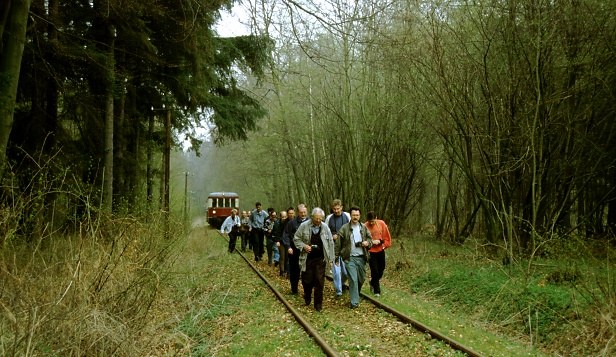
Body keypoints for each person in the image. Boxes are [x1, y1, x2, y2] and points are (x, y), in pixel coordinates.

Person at [293, 207, 334, 311]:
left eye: (320, 219)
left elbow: (330, 244)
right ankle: (307, 295)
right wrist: (303, 246)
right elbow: (296, 238)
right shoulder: (304, 226)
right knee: (307, 281)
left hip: (320, 259)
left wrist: (331, 259)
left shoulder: (325, 227)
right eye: (316, 219)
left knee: (319, 282)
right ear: (312, 217)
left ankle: (318, 305)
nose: (318, 221)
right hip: (307, 259)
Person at [335, 206, 373, 308]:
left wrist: (367, 243)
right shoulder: (344, 228)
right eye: (353, 215)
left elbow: (370, 240)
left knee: (361, 279)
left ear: (360, 216)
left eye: (357, 215)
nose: (355, 217)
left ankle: (355, 294)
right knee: (353, 279)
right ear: (350, 216)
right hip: (349, 258)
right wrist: (336, 257)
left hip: (361, 257)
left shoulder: (364, 228)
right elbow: (338, 244)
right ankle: (354, 302)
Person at [325, 199, 351, 297]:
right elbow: (325, 232)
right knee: (336, 271)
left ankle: (343, 283)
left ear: (341, 207)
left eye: (338, 208)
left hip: (345, 247)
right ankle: (338, 291)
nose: (336, 211)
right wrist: (331, 236)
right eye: (334, 209)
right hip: (334, 247)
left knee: (345, 271)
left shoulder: (347, 216)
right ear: (332, 209)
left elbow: (351, 229)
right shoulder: (329, 218)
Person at [364, 211, 392, 297]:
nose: (371, 223)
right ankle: (377, 291)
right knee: (374, 271)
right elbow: (363, 240)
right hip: (371, 252)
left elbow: (387, 238)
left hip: (380, 250)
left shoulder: (382, 224)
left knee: (381, 269)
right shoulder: (364, 226)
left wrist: (382, 245)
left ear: (376, 218)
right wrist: (371, 243)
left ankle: (372, 282)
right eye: (370, 221)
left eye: (373, 221)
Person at [282, 204, 308, 295]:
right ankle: (294, 289)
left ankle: (306, 291)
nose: (303, 214)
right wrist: (288, 247)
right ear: (298, 213)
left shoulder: (310, 222)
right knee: (294, 271)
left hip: (306, 251)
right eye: (301, 212)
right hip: (294, 250)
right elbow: (286, 235)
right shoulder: (291, 223)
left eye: (305, 212)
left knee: (306, 272)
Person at [273, 210, 288, 275]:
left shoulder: (289, 223)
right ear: (280, 217)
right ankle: (282, 271)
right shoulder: (277, 223)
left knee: (287, 257)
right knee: (282, 256)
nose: (284, 218)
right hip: (281, 242)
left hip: (287, 242)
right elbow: (276, 233)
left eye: (285, 217)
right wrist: (277, 241)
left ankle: (286, 270)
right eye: (283, 217)